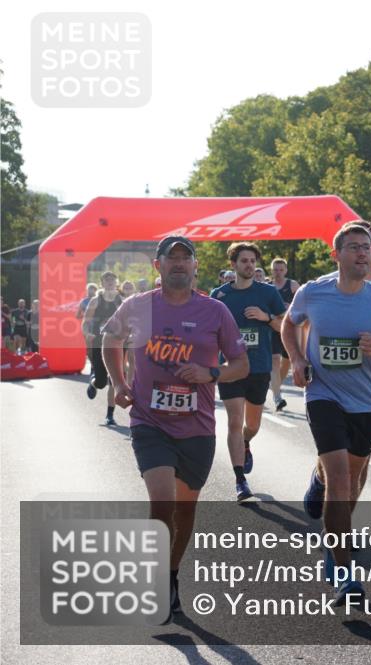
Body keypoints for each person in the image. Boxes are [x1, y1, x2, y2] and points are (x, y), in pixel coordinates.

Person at [101, 235, 249, 619]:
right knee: (162, 502)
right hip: (150, 422)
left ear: (196, 266)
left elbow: (241, 364)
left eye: (186, 258)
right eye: (172, 258)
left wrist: (210, 372)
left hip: (197, 427)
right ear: (158, 266)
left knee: (185, 511)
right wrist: (119, 383)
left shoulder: (215, 312)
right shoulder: (138, 306)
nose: (180, 263)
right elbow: (109, 339)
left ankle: (170, 574)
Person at [284, 222, 371, 605]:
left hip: (366, 402)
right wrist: (296, 359)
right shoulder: (314, 292)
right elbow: (289, 327)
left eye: (368, 247)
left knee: (352, 479)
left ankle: (322, 494)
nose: (363, 253)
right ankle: (344, 574)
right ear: (337, 254)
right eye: (355, 247)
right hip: (323, 394)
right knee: (341, 481)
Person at [211, 242, 286, 504]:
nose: (249, 265)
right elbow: (209, 332)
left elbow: (284, 327)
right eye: (244, 261)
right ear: (233, 264)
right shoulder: (219, 295)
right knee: (233, 420)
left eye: (253, 261)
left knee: (251, 425)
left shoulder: (267, 293)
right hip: (230, 368)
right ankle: (240, 479)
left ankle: (246, 441)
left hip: (259, 367)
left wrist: (266, 317)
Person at [83, 272, 124, 426]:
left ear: (116, 283)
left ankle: (110, 415)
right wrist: (87, 333)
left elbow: (129, 321)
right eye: (106, 280)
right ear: (102, 283)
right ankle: (93, 383)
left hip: (116, 344)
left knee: (114, 380)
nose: (110, 282)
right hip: (98, 343)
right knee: (101, 382)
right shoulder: (95, 301)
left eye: (112, 280)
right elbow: (85, 322)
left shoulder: (121, 301)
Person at [268, 257, 300, 412]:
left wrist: (290, 307)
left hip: (288, 329)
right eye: (275, 269)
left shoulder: (293, 285)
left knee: (286, 362)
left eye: (281, 270)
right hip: (272, 328)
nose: (278, 273)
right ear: (271, 270)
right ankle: (277, 397)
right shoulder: (266, 287)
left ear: (286, 270)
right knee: (274, 360)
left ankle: (275, 386)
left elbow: (303, 305)